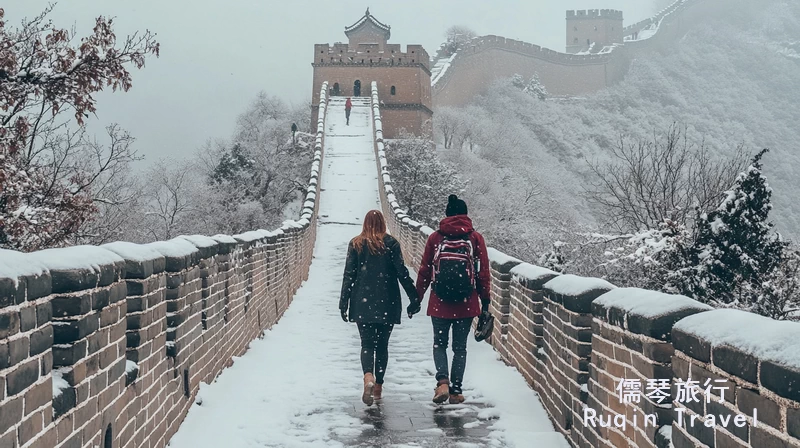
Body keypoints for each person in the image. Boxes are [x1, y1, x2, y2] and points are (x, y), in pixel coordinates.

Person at [340, 210, 421, 406]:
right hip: (388, 301)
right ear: (383, 223)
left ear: (365, 223)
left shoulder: (356, 244)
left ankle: (368, 377)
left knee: (367, 344)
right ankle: (378, 388)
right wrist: (414, 298)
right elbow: (402, 273)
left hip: (362, 301)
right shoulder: (391, 244)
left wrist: (344, 302)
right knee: (382, 345)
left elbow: (349, 276)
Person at [416, 195, 491, 405]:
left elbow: (424, 270)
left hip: (439, 302)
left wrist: (417, 297)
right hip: (466, 303)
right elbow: (483, 273)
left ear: (447, 214)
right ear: (466, 214)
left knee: (439, 344)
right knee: (460, 348)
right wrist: (486, 302)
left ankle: (442, 381)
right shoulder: (475, 238)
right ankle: (456, 391)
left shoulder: (435, 238)